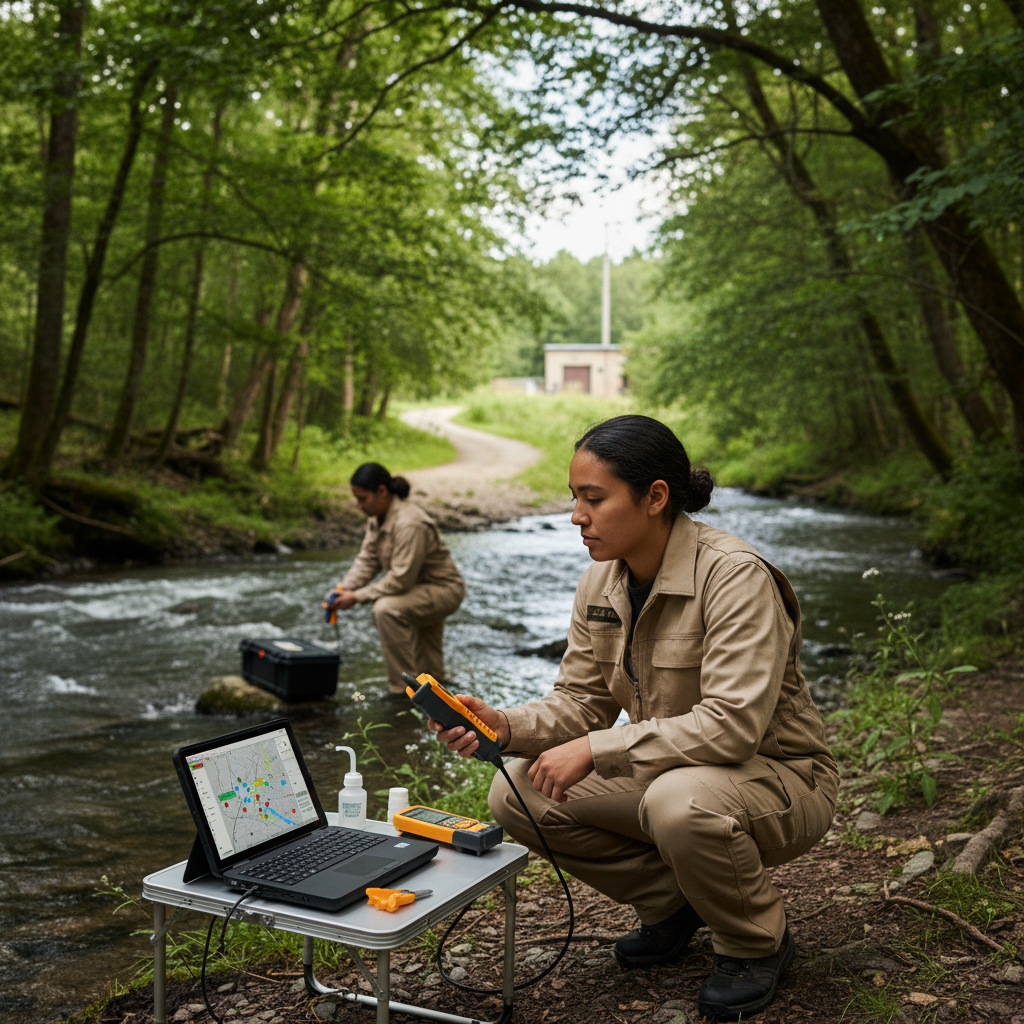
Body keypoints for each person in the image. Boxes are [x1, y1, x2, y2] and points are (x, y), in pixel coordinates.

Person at [428, 415, 839, 1022]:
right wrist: (504, 725)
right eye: (575, 498)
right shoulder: (601, 580)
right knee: (517, 790)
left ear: (655, 497)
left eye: (594, 498)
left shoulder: (734, 576)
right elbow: (580, 701)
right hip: (676, 771)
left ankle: (756, 941)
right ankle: (674, 904)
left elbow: (732, 727)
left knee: (678, 803)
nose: (576, 516)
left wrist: (597, 749)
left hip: (782, 777)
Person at [327, 462, 465, 697]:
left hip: (442, 590)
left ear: (382, 491)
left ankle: (403, 691)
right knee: (431, 671)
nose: (358, 506)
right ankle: (439, 697)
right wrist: (343, 589)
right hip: (418, 589)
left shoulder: (410, 524)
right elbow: (368, 560)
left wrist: (356, 597)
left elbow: (400, 580)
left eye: (362, 499)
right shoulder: (377, 518)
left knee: (385, 610)